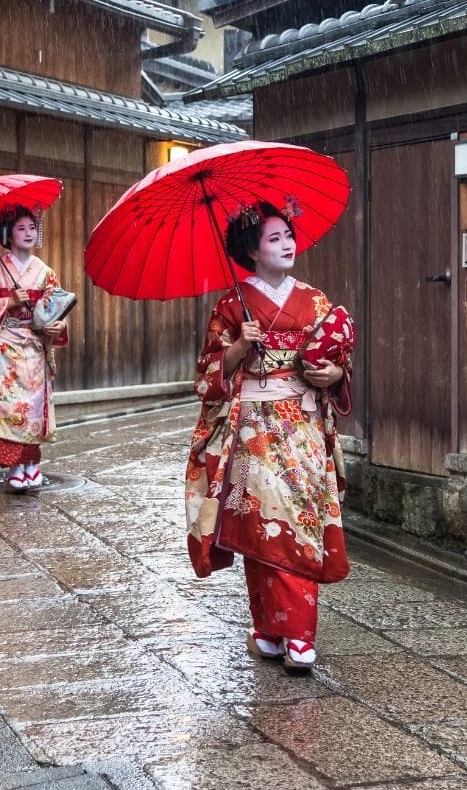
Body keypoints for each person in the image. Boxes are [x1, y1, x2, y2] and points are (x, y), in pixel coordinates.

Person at [185, 200, 355, 673]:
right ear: (251, 251)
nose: (287, 245)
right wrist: (239, 347)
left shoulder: (315, 301)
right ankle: (275, 632)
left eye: (289, 235)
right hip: (254, 426)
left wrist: (335, 372)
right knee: (265, 523)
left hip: (301, 425)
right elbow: (206, 378)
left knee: (299, 519)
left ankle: (292, 634)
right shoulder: (230, 305)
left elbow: (338, 363)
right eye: (274, 239)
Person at [0, 204, 69, 493]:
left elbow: (57, 309)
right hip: (3, 348)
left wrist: (57, 326)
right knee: (8, 408)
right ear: (8, 234)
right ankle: (14, 468)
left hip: (34, 346)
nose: (27, 232)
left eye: (31, 228)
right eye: (20, 228)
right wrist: (8, 302)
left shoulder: (45, 273)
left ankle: (31, 466)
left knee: (32, 411)